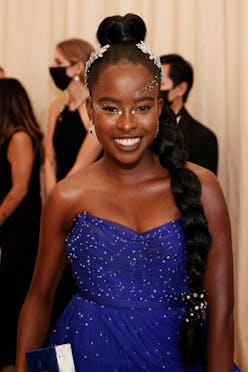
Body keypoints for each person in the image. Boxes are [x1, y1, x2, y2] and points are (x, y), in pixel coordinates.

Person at [16, 14, 239, 371]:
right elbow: (39, 299)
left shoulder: (201, 187)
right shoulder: (67, 196)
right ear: (90, 110)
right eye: (109, 107)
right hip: (87, 351)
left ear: (159, 108)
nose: (126, 123)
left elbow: (223, 311)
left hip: (176, 356)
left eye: (142, 106)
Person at [44, 38, 103, 331]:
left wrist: (63, 199)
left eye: (58, 63)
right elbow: (49, 158)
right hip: (58, 199)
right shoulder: (56, 106)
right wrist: (51, 200)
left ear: (78, 66)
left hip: (87, 206)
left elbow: (83, 164)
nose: (52, 69)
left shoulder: (94, 108)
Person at [0, 78, 43, 370]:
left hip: (19, 231)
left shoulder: (20, 138)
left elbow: (20, 189)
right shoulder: (9, 136)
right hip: (11, 229)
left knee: (14, 295)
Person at [160, 54, 218, 175]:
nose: (153, 90)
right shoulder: (142, 128)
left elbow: (203, 189)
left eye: (160, 84)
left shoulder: (203, 138)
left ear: (181, 89)